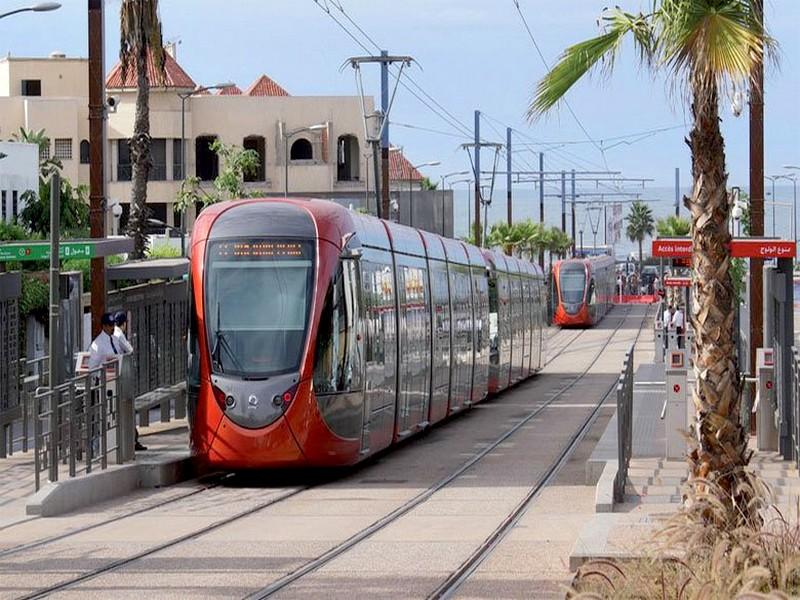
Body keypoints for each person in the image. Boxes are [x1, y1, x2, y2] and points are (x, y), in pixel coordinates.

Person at [113, 311, 147, 451]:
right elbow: (130, 350)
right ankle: (132, 440)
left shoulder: (110, 334)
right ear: (124, 323)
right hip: (122, 378)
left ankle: (126, 440)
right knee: (127, 409)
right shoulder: (120, 335)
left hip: (113, 378)